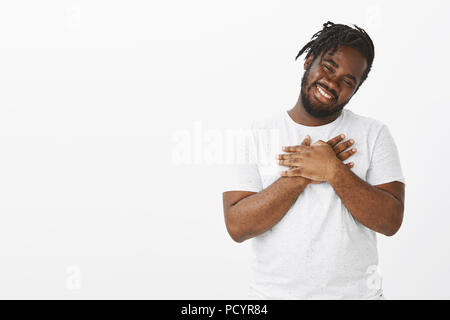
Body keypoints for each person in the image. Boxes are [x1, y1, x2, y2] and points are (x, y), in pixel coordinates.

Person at [222, 21, 405, 299]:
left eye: (347, 81)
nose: (332, 82)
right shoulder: (256, 134)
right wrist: (301, 174)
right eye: (329, 67)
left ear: (354, 90)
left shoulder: (374, 133)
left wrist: (334, 170)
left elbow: (390, 221)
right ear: (309, 60)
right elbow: (237, 226)